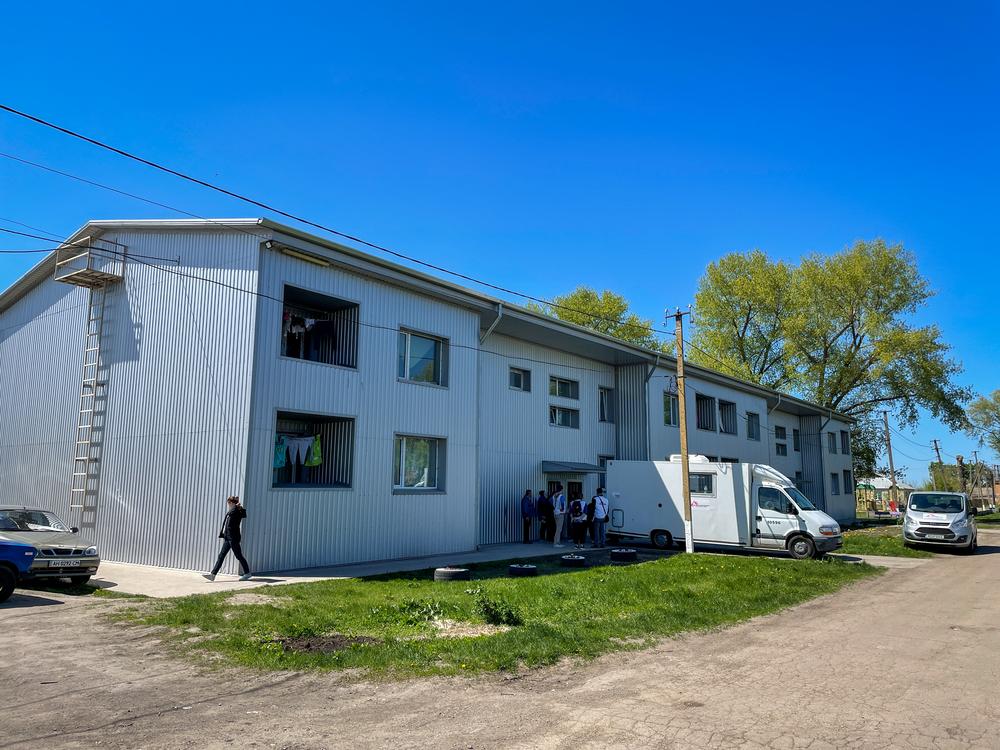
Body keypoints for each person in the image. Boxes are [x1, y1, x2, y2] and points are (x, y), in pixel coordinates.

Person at [204, 496, 252, 581]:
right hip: (228, 538)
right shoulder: (233, 511)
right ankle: (213, 574)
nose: (228, 505)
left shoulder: (235, 511)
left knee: (238, 556)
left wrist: (236, 506)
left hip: (233, 538)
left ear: (232, 503)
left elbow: (233, 523)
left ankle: (247, 573)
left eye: (229, 503)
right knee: (221, 556)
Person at [551, 483, 567, 548]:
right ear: (561, 489)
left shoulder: (554, 496)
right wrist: (563, 510)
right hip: (560, 513)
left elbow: (550, 502)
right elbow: (563, 503)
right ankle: (556, 543)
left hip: (555, 512)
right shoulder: (561, 496)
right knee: (559, 529)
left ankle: (557, 542)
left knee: (557, 528)